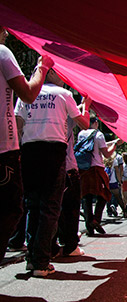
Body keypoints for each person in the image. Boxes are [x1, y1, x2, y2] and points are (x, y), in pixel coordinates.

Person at [15, 67, 90, 276]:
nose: (64, 78)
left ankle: (32, 258)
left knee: (33, 206)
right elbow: (84, 124)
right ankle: (41, 261)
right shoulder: (63, 95)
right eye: (60, 73)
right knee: (50, 207)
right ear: (49, 73)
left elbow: (18, 123)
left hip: (29, 149)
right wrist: (87, 107)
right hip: (53, 151)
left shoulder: (26, 92)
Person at [0, 26, 53, 263]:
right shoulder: (2, 52)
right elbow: (28, 94)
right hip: (3, 148)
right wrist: (43, 67)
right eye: (3, 28)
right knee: (11, 209)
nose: (7, 34)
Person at [79, 116, 123, 236]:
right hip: (96, 168)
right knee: (104, 194)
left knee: (86, 197)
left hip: (84, 169)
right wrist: (115, 145)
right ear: (96, 123)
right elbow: (107, 154)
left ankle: (89, 225)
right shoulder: (98, 134)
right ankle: (96, 220)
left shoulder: (81, 133)